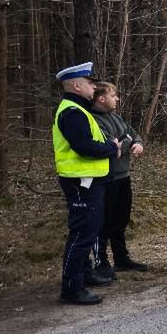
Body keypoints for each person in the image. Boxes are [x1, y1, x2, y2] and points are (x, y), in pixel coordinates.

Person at [53, 63, 122, 305]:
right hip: (81, 182)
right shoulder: (72, 112)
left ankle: (85, 275)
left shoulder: (79, 110)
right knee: (82, 234)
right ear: (75, 85)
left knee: (89, 231)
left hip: (90, 181)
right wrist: (111, 148)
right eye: (89, 82)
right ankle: (72, 287)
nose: (93, 86)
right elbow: (84, 147)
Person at [90, 81, 146, 281]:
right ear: (102, 98)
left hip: (124, 176)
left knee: (121, 220)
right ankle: (101, 262)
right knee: (103, 222)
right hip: (106, 178)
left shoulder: (115, 117)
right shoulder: (92, 120)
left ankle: (121, 258)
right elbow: (111, 147)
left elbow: (131, 134)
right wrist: (124, 141)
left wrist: (136, 142)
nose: (117, 99)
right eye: (114, 95)